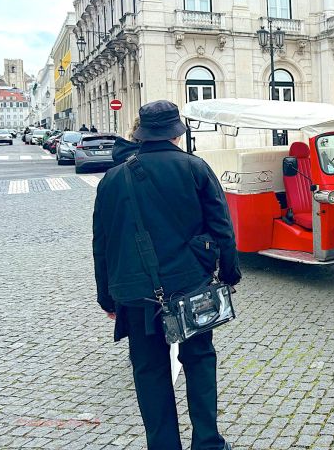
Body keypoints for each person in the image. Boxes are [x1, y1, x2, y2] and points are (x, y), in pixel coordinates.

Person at [92, 100, 241, 450]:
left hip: (137, 292)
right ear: (177, 132)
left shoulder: (113, 178)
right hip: (191, 285)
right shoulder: (195, 168)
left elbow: (103, 243)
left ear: (142, 132)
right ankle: (207, 442)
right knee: (199, 360)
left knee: (149, 371)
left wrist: (107, 297)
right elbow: (222, 228)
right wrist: (230, 273)